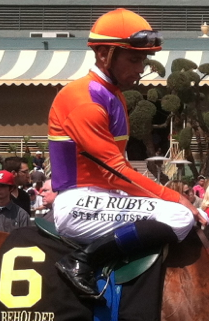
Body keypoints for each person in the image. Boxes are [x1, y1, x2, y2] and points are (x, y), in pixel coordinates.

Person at [47, 8, 197, 298]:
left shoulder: (110, 94)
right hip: (79, 202)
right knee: (180, 217)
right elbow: (115, 172)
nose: (141, 68)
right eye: (134, 59)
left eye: (143, 60)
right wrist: (173, 196)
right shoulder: (85, 99)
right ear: (105, 54)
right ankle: (82, 262)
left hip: (103, 198)